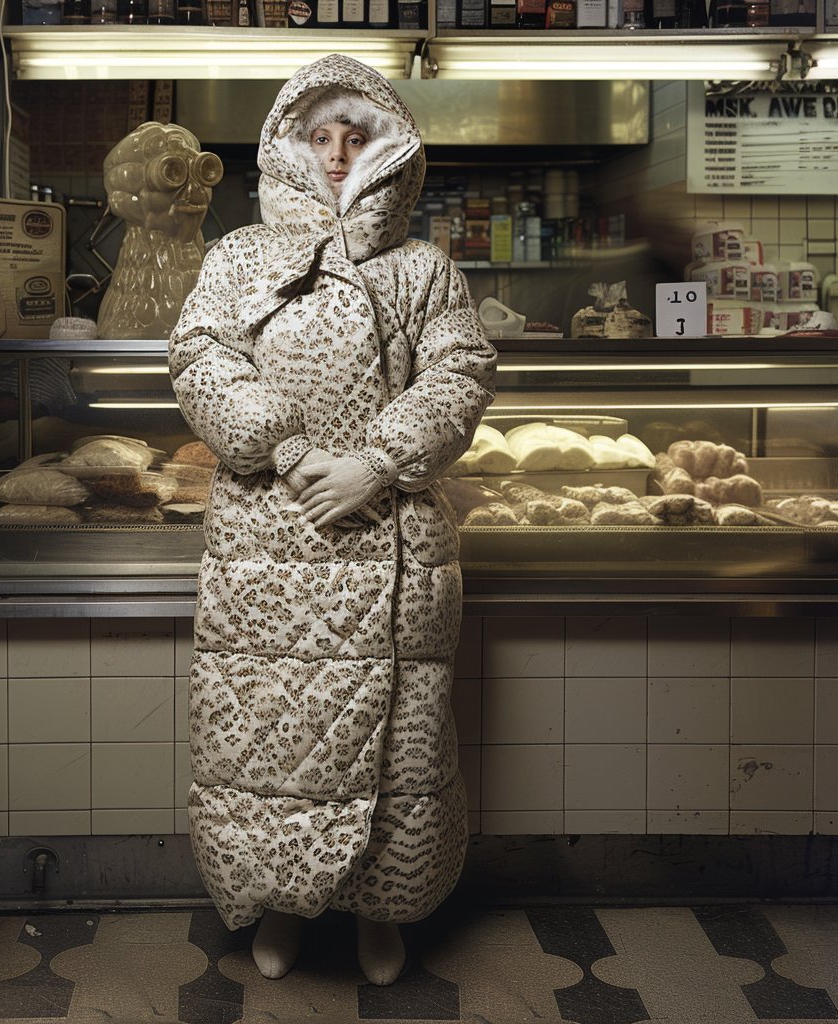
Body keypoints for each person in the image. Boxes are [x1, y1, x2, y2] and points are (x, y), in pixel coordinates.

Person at [168, 53, 496, 986]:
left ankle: (378, 915)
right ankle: (278, 903)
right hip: (268, 544)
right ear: (291, 148)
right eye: (322, 138)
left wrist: (377, 465)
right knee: (270, 739)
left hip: (387, 538)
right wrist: (286, 448)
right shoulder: (237, 257)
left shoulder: (424, 269)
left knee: (399, 749)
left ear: (390, 148)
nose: (341, 156)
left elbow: (461, 373)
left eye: (358, 138)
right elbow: (199, 358)